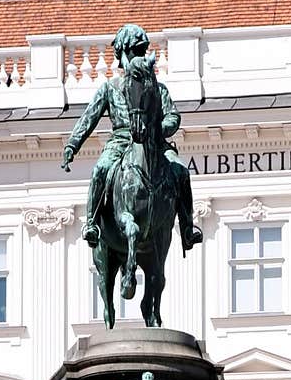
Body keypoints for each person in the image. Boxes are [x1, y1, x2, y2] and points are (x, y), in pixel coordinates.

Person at [60, 23, 202, 254]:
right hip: (121, 141)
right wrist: (72, 145)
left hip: (154, 142)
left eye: (142, 51)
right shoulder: (110, 88)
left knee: (181, 171)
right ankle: (92, 223)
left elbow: (173, 117)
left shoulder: (158, 88)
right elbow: (89, 118)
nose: (138, 56)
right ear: (123, 55)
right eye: (134, 51)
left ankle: (187, 228)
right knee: (100, 169)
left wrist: (158, 129)